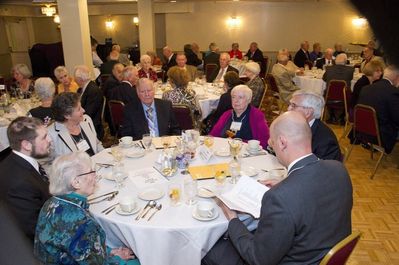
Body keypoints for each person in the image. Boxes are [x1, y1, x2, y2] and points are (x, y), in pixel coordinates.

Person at [203, 111, 353, 265]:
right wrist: (287, 182)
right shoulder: (339, 169)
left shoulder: (280, 198)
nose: (269, 143)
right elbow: (313, 193)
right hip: (322, 253)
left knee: (208, 252)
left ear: (282, 142)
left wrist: (233, 219)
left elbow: (257, 258)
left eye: (272, 141)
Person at [34, 152, 139, 265]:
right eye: (91, 172)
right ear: (76, 182)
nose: (96, 176)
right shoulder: (82, 222)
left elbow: (79, 249)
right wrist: (118, 259)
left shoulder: (50, 203)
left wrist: (108, 251)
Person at [0, 117, 51, 241]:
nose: (49, 140)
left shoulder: (18, 160)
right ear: (26, 145)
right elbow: (35, 229)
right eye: (44, 137)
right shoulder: (19, 183)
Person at [47, 92, 104, 161]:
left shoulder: (86, 120)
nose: (84, 110)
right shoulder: (51, 134)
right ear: (67, 115)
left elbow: (97, 144)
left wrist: (106, 158)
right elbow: (50, 163)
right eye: (79, 109)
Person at [288, 89, 342, 161]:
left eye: (293, 106)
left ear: (308, 112)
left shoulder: (325, 141)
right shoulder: (290, 125)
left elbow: (319, 170)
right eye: (289, 105)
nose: (288, 109)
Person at [357, 65, 399, 154]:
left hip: (363, 131)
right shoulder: (393, 92)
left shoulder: (365, 88)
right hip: (381, 135)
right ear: (397, 77)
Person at [74, 65, 104, 139]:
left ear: (80, 79)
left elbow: (89, 113)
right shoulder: (81, 90)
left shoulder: (94, 91)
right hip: (83, 121)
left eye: (76, 78)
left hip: (92, 125)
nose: (74, 80)